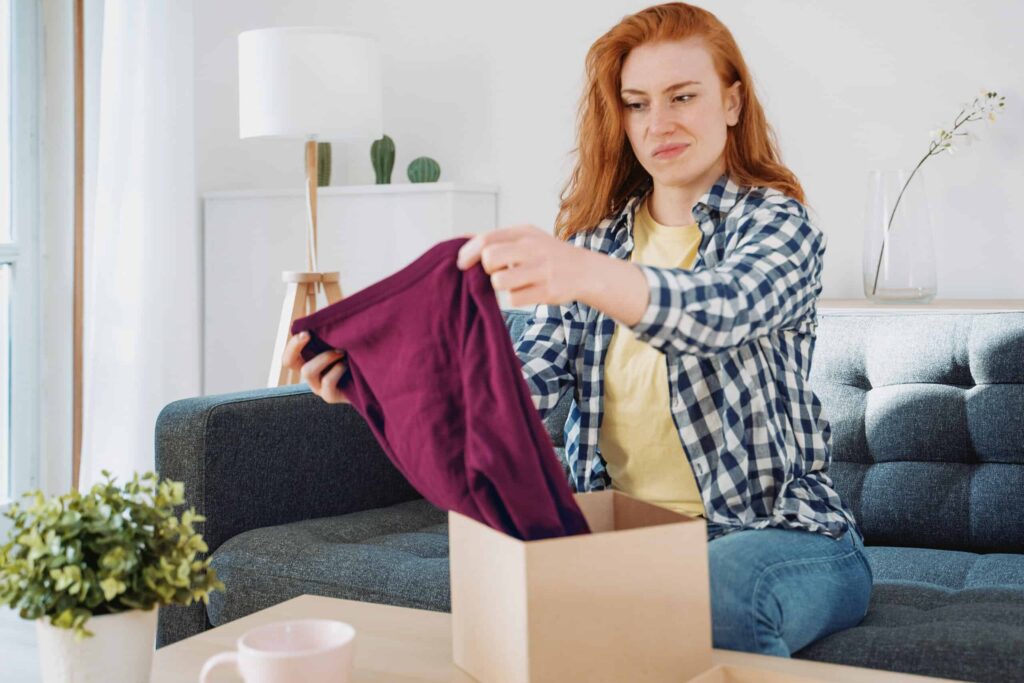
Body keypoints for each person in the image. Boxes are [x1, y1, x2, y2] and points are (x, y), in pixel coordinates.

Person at [281, 1, 872, 659]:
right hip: (625, 537)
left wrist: (580, 271)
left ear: (732, 102)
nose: (659, 122)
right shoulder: (595, 243)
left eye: (683, 96)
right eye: (637, 103)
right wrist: (376, 388)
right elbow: (515, 387)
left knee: (713, 595)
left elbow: (722, 309)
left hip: (786, 534)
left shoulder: (779, 226)